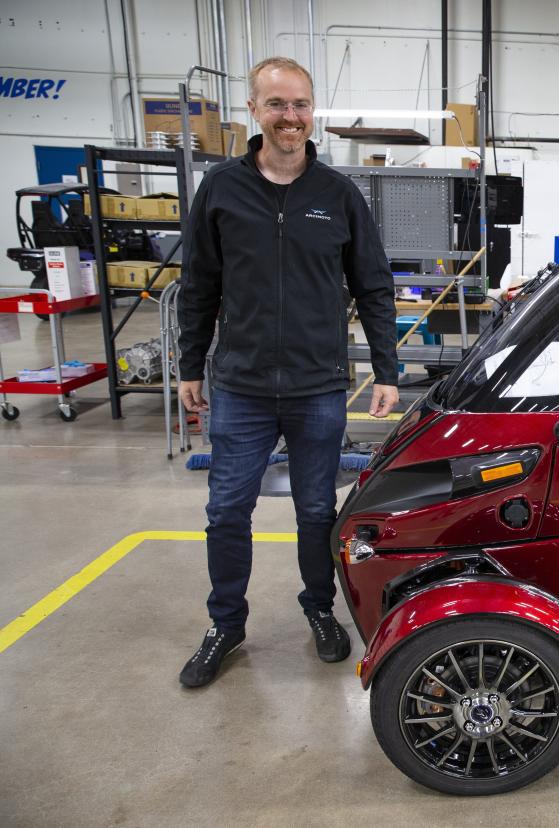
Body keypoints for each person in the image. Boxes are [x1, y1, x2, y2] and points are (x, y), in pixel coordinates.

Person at [176, 57, 399, 688]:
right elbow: (199, 286)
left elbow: (374, 286)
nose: (290, 117)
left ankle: (319, 611)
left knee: (314, 511)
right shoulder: (221, 189)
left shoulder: (337, 195)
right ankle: (226, 623)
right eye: (276, 105)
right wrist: (191, 364)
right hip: (240, 385)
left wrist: (386, 368)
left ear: (311, 112)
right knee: (225, 511)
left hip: (318, 385)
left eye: (300, 105)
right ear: (254, 111)